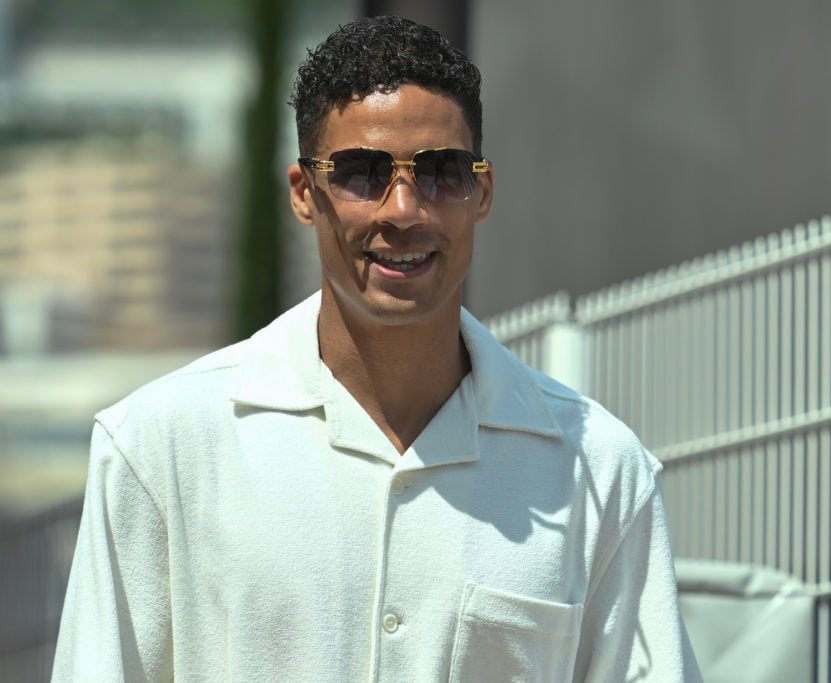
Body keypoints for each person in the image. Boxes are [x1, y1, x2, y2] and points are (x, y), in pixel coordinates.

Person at [52, 15, 701, 682]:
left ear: (481, 190)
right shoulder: (161, 447)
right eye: (361, 172)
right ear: (306, 193)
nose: (402, 208)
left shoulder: (600, 470)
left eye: (441, 171)